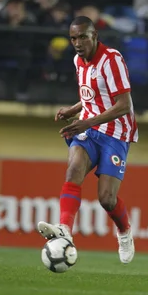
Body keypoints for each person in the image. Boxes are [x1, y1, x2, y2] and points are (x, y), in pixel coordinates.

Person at [35, 16, 138, 264]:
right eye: (73, 38)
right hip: (89, 128)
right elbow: (94, 95)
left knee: (106, 199)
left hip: (115, 132)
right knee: (73, 169)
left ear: (95, 36)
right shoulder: (77, 60)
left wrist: (87, 121)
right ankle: (65, 230)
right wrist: (74, 110)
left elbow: (123, 105)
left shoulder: (112, 59)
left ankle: (124, 232)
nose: (78, 43)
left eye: (83, 36)